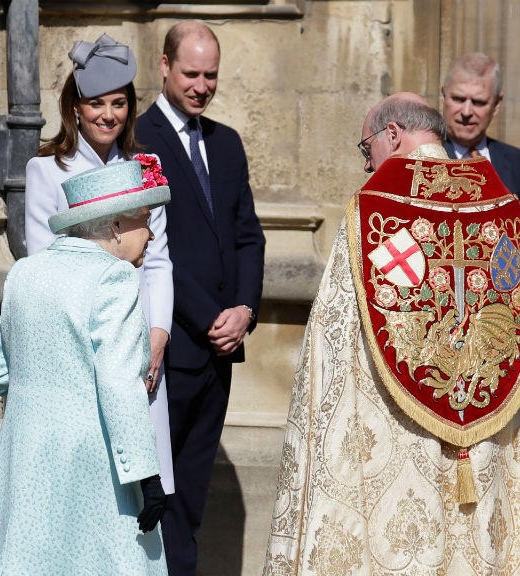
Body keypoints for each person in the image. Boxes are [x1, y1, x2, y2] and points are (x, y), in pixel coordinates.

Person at [265, 93, 520, 574]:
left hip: (399, 436)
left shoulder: (374, 216)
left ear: (393, 135)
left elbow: (333, 340)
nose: (368, 167)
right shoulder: (504, 209)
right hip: (485, 437)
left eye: (367, 151)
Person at [0, 159, 170, 575]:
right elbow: (121, 384)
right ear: (116, 226)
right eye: (144, 219)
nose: (152, 233)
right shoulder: (114, 279)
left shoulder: (24, 273)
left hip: (25, 457)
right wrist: (146, 474)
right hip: (94, 463)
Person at [134, 20, 265, 575]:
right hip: (172, 346)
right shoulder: (139, 140)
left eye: (211, 75)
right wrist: (211, 316)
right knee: (159, 495)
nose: (201, 85)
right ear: (164, 66)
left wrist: (245, 310)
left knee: (192, 492)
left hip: (219, 353)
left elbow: (247, 236)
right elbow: (154, 252)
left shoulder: (226, 142)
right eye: (190, 73)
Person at [25, 33, 175, 495]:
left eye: (118, 103)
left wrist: (157, 338)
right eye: (96, 103)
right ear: (75, 106)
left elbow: (159, 262)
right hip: (80, 345)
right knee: (89, 486)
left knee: (142, 486)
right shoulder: (47, 169)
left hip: (142, 345)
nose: (108, 115)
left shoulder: (144, 168)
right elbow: (43, 262)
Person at [441, 52, 520, 196]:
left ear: (496, 104)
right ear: (444, 96)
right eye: (458, 99)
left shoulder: (516, 163)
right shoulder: (420, 160)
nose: (466, 112)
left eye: (478, 102)